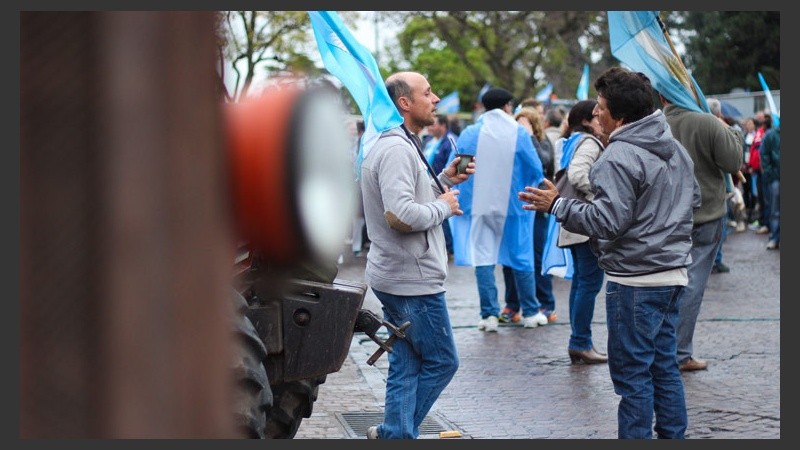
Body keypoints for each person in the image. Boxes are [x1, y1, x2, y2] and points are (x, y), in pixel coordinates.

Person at [519, 67, 699, 439]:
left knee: (633, 375)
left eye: (600, 108)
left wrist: (557, 205)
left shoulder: (618, 155)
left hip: (635, 280)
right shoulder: (674, 147)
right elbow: (692, 198)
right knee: (663, 367)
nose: (595, 115)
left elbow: (608, 221)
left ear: (620, 116)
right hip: (672, 274)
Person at [360, 71, 474, 439]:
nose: (436, 98)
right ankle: (397, 434)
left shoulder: (403, 143)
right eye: (428, 93)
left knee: (407, 363)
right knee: (443, 361)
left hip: (402, 273)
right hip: (411, 279)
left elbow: (413, 197)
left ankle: (393, 432)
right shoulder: (395, 148)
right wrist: (442, 207)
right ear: (404, 103)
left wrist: (444, 180)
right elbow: (400, 215)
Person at [658, 89, 743, 373]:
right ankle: (680, 352)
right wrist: (729, 130)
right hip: (705, 213)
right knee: (691, 283)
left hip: (666, 216)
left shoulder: (655, 123)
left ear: (662, 98)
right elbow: (733, 162)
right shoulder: (706, 121)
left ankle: (664, 348)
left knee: (666, 281)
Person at [450, 87, 548, 331]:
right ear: (507, 106)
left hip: (479, 206)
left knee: (483, 259)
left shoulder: (469, 133)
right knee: (521, 258)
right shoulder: (518, 132)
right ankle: (531, 312)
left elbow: (460, 170)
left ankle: (489, 316)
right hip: (514, 206)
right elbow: (535, 167)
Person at [553, 99, 608, 364]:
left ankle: (579, 341)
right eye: (597, 117)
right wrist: (605, 194)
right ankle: (581, 342)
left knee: (582, 282)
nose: (601, 121)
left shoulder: (568, 141)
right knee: (589, 282)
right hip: (585, 220)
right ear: (587, 120)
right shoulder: (588, 142)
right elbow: (577, 175)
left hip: (571, 219)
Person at [511, 106, 557, 323]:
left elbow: (543, 162)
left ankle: (546, 303)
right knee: (512, 257)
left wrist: (529, 136)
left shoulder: (542, 140)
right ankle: (513, 305)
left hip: (538, 207)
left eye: (525, 124)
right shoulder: (512, 143)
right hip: (517, 206)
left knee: (537, 256)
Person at [428, 114, 460, 256]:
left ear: (443, 126)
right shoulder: (430, 141)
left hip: (445, 184)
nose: (430, 127)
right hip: (432, 182)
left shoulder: (451, 140)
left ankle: (449, 247)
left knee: (444, 215)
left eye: (433, 124)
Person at [760, 123, 780, 250]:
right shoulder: (771, 135)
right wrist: (771, 174)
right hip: (776, 178)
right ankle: (774, 237)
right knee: (775, 209)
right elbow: (764, 154)